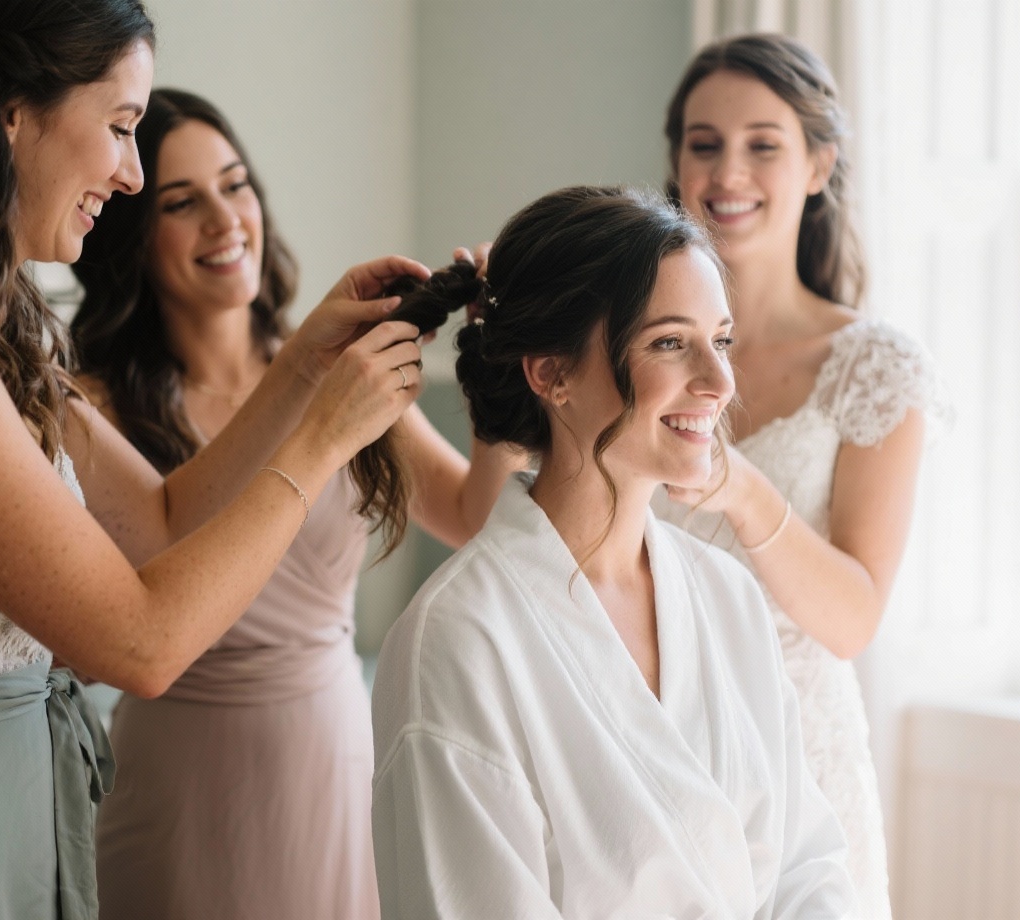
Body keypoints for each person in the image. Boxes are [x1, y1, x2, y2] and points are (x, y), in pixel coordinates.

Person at [0, 2, 430, 917]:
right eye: (122, 126)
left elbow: (165, 524)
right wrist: (324, 436)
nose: (131, 174)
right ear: (12, 111)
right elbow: (142, 644)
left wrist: (301, 366)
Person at [69, 88, 518, 920]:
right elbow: (144, 570)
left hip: (333, 757)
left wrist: (494, 363)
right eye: (181, 202)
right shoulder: (93, 410)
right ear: (131, 235)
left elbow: (470, 514)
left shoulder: (343, 370)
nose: (224, 220)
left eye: (235, 186)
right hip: (181, 783)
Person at [370, 185, 857, 919]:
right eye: (669, 342)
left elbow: (808, 863)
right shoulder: (458, 642)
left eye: (720, 340)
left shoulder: (726, 595)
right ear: (551, 373)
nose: (721, 381)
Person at [655, 33, 952, 920]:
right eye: (703, 144)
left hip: (799, 770)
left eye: (763, 145)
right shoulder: (626, 347)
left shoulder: (874, 367)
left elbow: (855, 615)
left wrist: (744, 491)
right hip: (650, 745)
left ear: (818, 164)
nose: (727, 171)